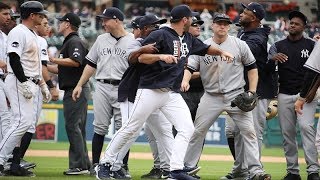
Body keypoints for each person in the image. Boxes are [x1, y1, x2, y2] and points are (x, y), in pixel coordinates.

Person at [94, 4, 233, 180]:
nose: (193, 20)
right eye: (191, 17)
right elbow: (140, 57)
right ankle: (105, 164)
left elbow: (206, 49)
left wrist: (221, 52)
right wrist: (160, 56)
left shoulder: (188, 38)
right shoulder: (160, 34)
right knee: (131, 127)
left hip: (171, 94)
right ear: (184, 20)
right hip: (150, 90)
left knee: (187, 128)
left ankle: (175, 171)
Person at [182, 13, 271, 180]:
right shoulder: (202, 46)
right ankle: (187, 168)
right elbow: (190, 67)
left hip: (235, 95)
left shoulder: (239, 45)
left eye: (225, 23)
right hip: (211, 96)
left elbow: (252, 68)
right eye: (219, 23)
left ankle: (256, 171)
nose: (222, 26)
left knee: (249, 132)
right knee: (197, 132)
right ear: (213, 26)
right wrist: (186, 80)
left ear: (229, 26)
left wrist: (251, 91)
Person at [71, 7, 135, 178]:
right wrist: (79, 85)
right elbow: (91, 64)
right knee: (99, 127)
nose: (103, 22)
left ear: (117, 20)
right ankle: (96, 164)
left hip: (124, 87)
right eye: (102, 19)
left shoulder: (134, 40)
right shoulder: (101, 39)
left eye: (106, 19)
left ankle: (122, 166)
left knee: (124, 130)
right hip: (102, 86)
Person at [223, 3, 277, 179]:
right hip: (243, 90)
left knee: (253, 132)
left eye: (244, 13)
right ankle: (240, 170)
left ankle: (254, 171)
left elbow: (243, 52)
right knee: (238, 133)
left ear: (253, 18)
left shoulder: (257, 38)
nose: (240, 14)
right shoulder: (245, 33)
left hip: (257, 91)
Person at [0, 1, 49, 176]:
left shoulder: (32, 34)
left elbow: (34, 65)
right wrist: (23, 81)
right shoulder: (18, 32)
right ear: (32, 15)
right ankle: (1, 159)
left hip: (31, 81)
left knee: (24, 123)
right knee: (21, 122)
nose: (43, 17)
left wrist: (43, 85)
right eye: (40, 14)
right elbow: (13, 58)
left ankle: (12, 164)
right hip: (19, 80)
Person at [121, 14, 173, 179]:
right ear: (141, 29)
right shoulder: (135, 43)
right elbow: (132, 58)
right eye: (153, 26)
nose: (157, 29)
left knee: (161, 131)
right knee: (130, 130)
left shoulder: (162, 41)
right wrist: (144, 49)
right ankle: (111, 165)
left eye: (158, 25)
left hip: (153, 93)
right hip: (132, 93)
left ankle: (169, 168)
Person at [269, 11, 319, 180]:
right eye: (291, 23)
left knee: (306, 129)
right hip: (284, 94)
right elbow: (268, 67)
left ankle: (313, 170)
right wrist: (272, 58)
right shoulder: (278, 45)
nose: (292, 25)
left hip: (305, 96)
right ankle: (293, 171)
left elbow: (317, 72)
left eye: (296, 23)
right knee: (287, 134)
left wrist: (311, 92)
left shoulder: (312, 45)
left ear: (304, 27)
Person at [49, 12, 90, 175]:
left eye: (61, 22)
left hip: (76, 90)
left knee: (73, 127)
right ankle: (84, 164)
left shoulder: (74, 41)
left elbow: (75, 61)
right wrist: (44, 66)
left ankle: (78, 166)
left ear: (67, 24)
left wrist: (53, 59)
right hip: (75, 88)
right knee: (77, 127)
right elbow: (62, 68)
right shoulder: (70, 41)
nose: (58, 24)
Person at [0, 2, 12, 143]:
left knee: (6, 117)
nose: (8, 17)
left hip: (4, 79)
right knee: (5, 116)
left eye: (9, 14)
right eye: (5, 14)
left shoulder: (5, 36)